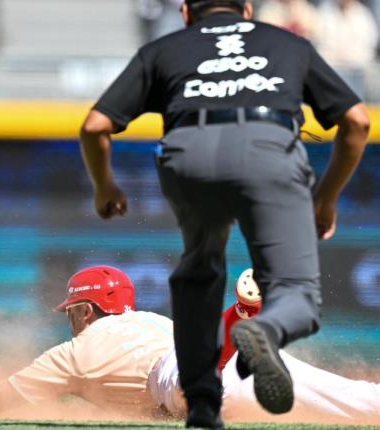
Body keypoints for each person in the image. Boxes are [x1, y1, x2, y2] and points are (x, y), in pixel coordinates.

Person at [79, 0, 370, 427]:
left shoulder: (166, 48)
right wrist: (326, 199)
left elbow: (94, 126)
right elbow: (358, 123)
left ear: (185, 12)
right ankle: (266, 332)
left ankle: (201, 408)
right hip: (270, 151)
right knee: (296, 293)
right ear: (248, 10)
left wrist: (105, 186)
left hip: (190, 154)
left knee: (199, 272)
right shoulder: (287, 43)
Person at [0, 266, 380, 426]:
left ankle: (238, 321)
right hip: (223, 359)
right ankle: (238, 323)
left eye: (72, 312)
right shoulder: (149, 319)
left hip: (190, 376)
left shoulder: (76, 354)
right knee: (356, 401)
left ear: (85, 311)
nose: (71, 321)